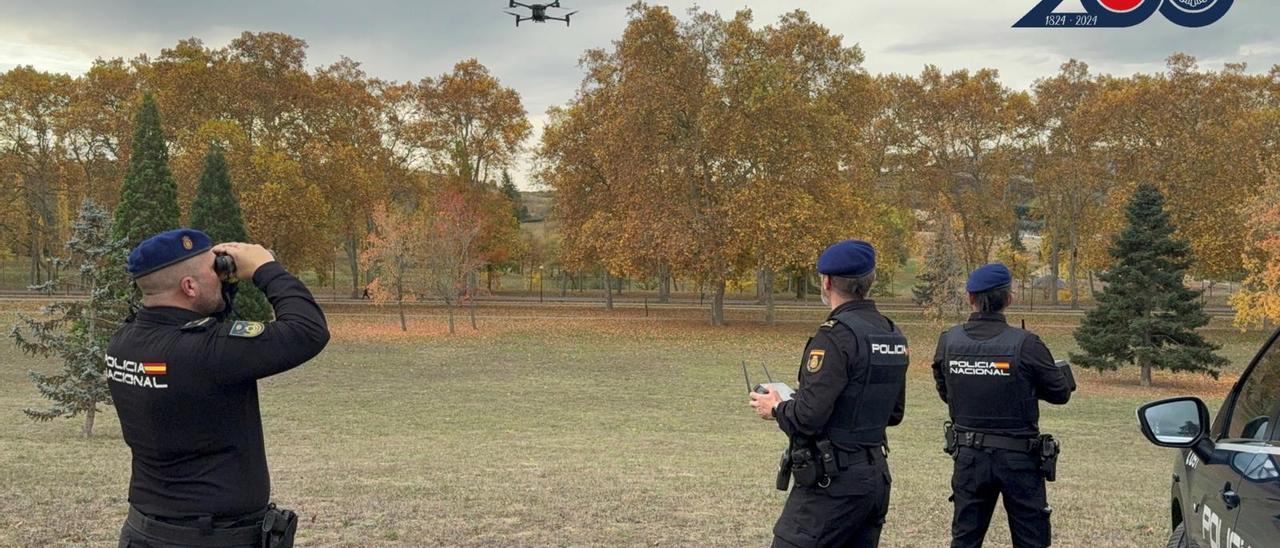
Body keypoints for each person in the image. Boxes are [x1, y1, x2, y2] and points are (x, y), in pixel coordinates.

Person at [106, 229, 330, 547]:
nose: (221, 276)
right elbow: (308, 331)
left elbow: (199, 326)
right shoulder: (208, 352)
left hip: (144, 532)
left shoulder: (123, 343)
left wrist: (222, 290)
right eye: (214, 272)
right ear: (189, 286)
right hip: (211, 537)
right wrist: (266, 267)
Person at [750, 240, 909, 548]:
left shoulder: (835, 336)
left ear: (826, 282)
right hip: (874, 477)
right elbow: (893, 412)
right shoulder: (891, 333)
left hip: (833, 484)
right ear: (869, 281)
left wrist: (776, 408)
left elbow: (808, 418)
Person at [932, 263, 1074, 548]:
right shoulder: (1026, 344)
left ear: (970, 297)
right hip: (1019, 458)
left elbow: (946, 392)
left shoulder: (948, 341)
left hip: (969, 455)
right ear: (1009, 299)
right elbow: (1060, 393)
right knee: (1031, 538)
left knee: (965, 538)